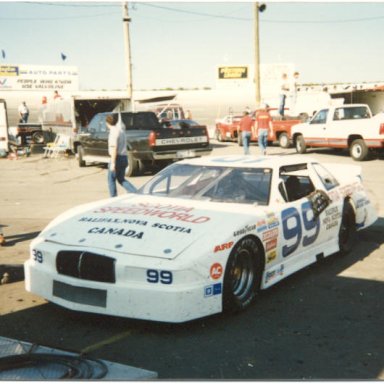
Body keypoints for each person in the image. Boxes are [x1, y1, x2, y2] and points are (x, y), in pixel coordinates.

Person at [106, 114, 137, 197]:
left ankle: (113, 198)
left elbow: (114, 148)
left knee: (111, 179)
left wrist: (112, 163)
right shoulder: (121, 131)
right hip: (124, 157)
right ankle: (135, 192)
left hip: (117, 158)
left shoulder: (113, 132)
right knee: (121, 179)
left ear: (107, 123)